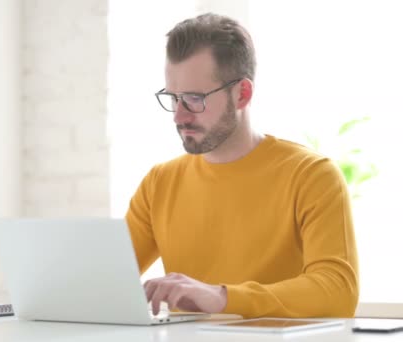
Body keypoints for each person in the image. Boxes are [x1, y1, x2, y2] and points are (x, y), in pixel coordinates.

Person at [126, 13, 359, 318]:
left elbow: (338, 291)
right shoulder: (159, 182)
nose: (178, 117)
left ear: (242, 94)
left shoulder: (311, 175)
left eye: (195, 99)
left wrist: (222, 297)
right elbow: (102, 281)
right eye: (173, 98)